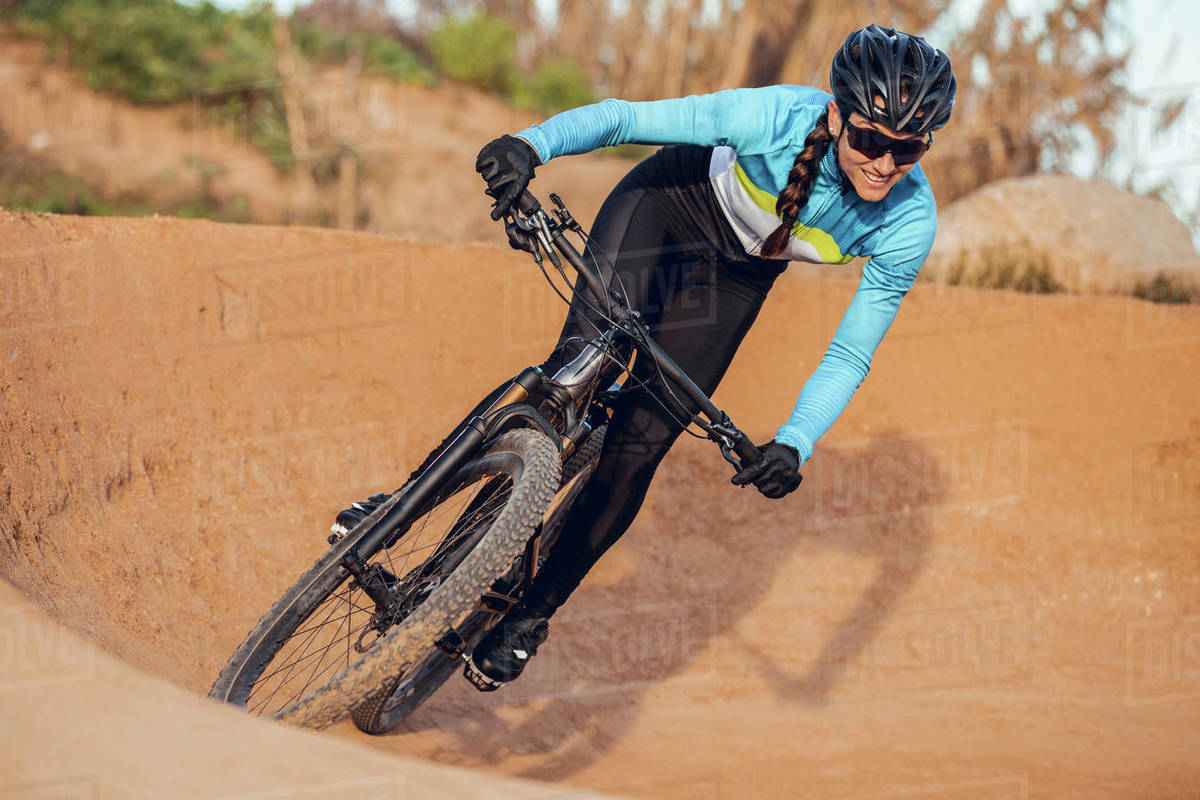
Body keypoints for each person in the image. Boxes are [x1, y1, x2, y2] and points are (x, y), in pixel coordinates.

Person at [333, 24, 956, 690]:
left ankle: (530, 617)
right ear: (836, 116)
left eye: (908, 149)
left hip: (734, 280)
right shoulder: (773, 116)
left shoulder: (908, 221)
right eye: (869, 139)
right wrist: (529, 144)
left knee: (638, 448)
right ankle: (399, 506)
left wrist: (796, 442)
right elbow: (628, 119)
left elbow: (850, 354)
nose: (885, 163)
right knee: (568, 373)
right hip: (665, 208)